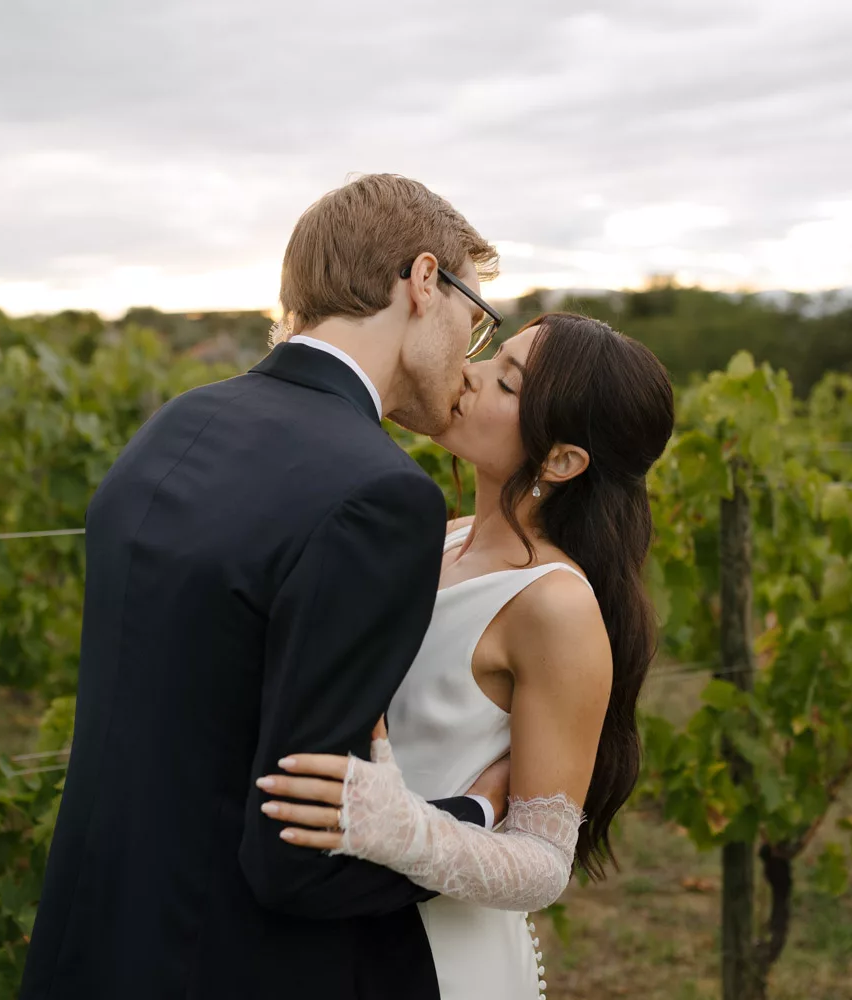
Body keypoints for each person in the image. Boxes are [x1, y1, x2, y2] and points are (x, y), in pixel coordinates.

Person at [19, 173, 509, 1000]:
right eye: (475, 317)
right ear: (424, 281)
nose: (472, 350)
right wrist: (472, 825)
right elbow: (298, 859)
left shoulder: (177, 424)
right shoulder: (381, 496)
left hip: (89, 946)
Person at [257, 313, 676, 999]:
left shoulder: (553, 605)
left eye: (507, 383)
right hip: (343, 923)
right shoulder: (442, 538)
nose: (470, 372)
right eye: (493, 357)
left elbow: (543, 866)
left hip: (439, 955)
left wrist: (404, 830)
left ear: (563, 460)